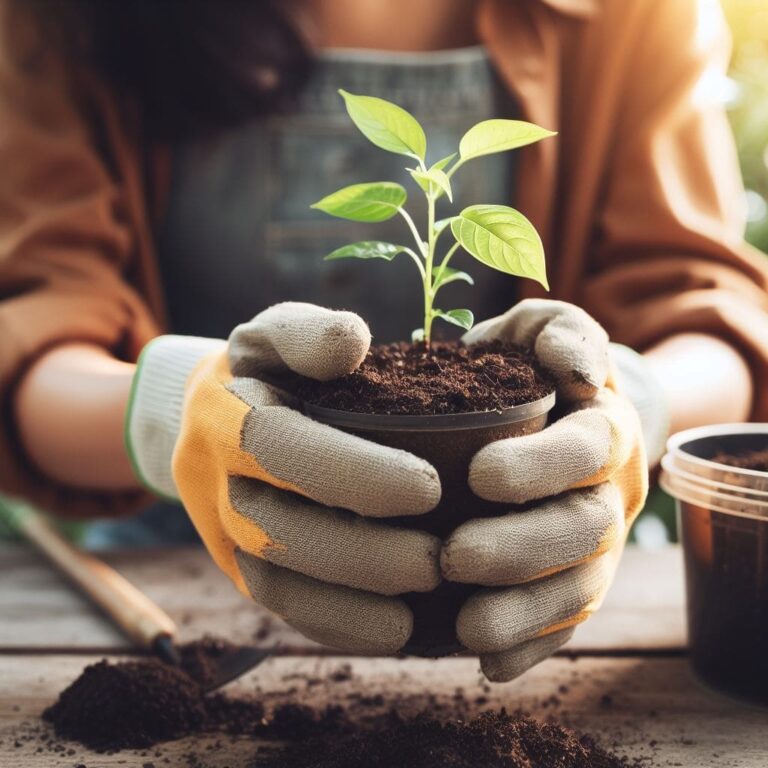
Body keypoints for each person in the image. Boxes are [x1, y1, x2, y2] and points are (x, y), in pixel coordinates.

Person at [1, 0, 766, 681]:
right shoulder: (67, 16)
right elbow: (37, 321)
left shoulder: (632, 11)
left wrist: (627, 405)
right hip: (168, 565)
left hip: (532, 547)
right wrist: (172, 411)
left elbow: (702, 304)